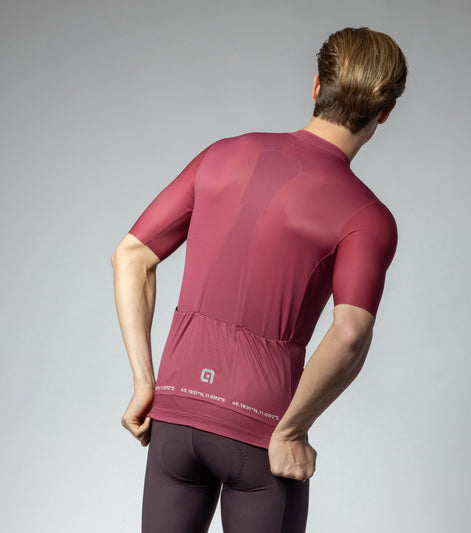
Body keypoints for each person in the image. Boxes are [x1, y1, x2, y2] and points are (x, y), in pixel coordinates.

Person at [111, 26, 407, 533]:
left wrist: (145, 382)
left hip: (176, 414)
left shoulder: (224, 155)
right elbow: (351, 332)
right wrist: (292, 430)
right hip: (261, 433)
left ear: (317, 85)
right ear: (385, 111)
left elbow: (132, 256)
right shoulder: (367, 216)